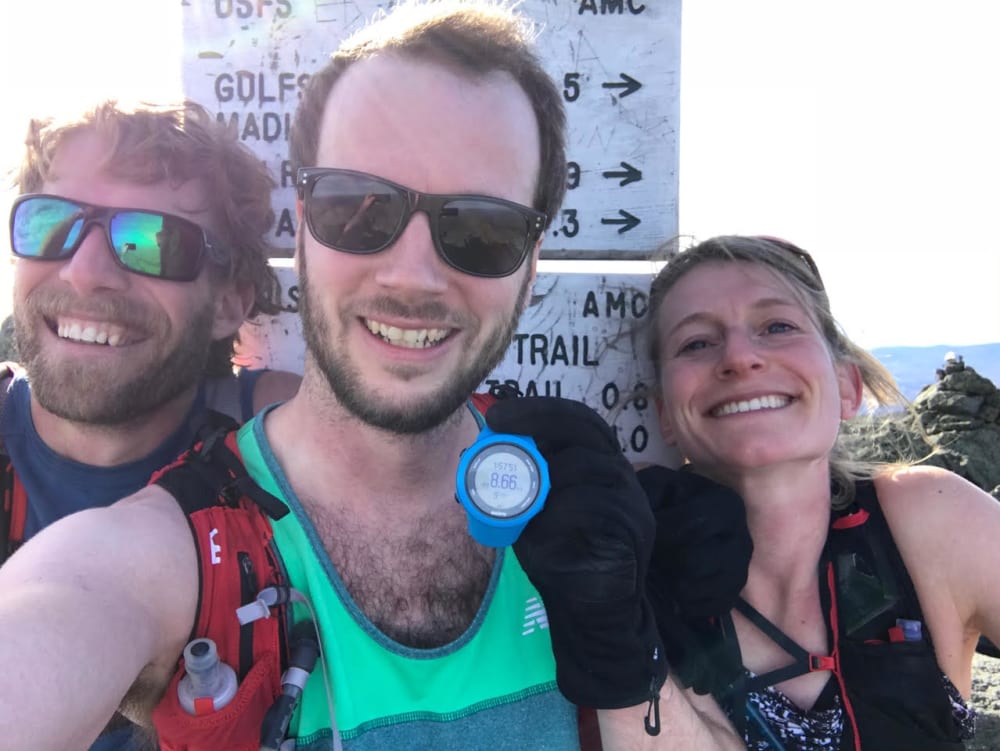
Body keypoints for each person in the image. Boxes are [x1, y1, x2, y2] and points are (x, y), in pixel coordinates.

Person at [0, 3, 742, 750]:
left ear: (531, 261)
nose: (412, 274)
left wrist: (625, 667)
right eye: (356, 208)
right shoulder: (163, 553)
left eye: (480, 229)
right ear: (304, 223)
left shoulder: (574, 510)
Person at [2, 100, 301, 749]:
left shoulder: (285, 435)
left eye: (151, 241)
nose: (84, 272)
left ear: (228, 302)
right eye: (52, 224)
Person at [640, 234, 1000, 749]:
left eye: (777, 326)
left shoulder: (929, 520)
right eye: (696, 342)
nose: (740, 357)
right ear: (664, 417)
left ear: (848, 387)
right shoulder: (633, 569)